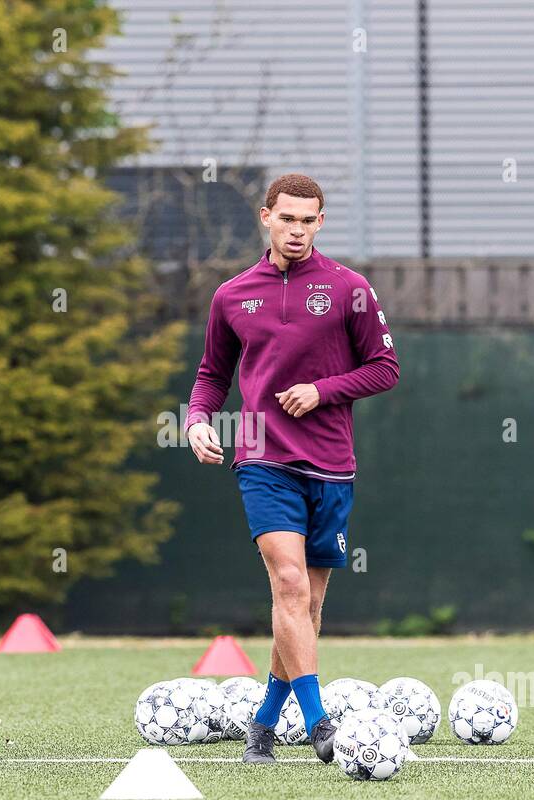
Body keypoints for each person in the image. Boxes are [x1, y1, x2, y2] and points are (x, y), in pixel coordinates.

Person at [186, 173, 399, 765]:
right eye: (287, 219)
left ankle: (263, 721)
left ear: (321, 222)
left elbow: (385, 368)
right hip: (262, 459)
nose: (297, 230)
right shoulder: (231, 295)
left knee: (306, 606)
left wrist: (323, 390)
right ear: (266, 217)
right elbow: (211, 375)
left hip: (331, 465)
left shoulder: (350, 289)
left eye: (308, 220)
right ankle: (319, 723)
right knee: (288, 583)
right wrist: (198, 420)